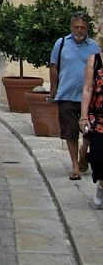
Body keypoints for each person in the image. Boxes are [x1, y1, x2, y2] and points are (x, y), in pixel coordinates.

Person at [49, 12, 99, 180]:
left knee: (91, 133)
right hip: (67, 95)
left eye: (82, 27)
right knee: (70, 132)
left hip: (90, 98)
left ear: (87, 29)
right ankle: (75, 165)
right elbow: (54, 66)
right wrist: (54, 91)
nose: (79, 30)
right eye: (76, 27)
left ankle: (83, 152)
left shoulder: (95, 47)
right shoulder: (61, 43)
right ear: (71, 27)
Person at [80, 29, 103, 207]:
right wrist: (83, 116)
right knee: (98, 156)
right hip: (98, 117)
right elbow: (87, 88)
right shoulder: (94, 60)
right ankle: (101, 184)